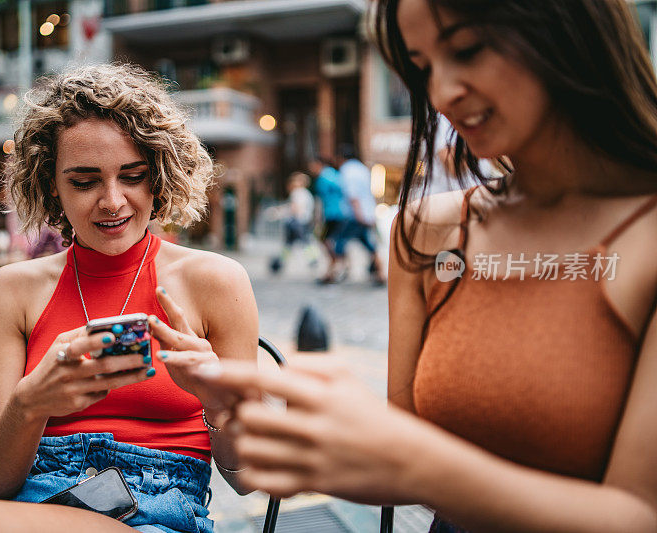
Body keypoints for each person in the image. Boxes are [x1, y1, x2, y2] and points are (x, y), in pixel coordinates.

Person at [193, 1, 657, 531]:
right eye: (422, 68)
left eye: (467, 50)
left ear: (569, 29)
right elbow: (395, 463)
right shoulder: (427, 231)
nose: (441, 93)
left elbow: (639, 514)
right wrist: (242, 414)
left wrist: (415, 463)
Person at [0, 63, 258, 533]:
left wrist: (219, 404)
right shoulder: (14, 289)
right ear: (50, 185)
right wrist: (30, 404)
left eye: (131, 176)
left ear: (158, 177)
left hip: (160, 515)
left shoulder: (216, 281)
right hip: (37, 506)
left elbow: (250, 479)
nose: (112, 201)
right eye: (84, 181)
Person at [335, 145, 386, 284]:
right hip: (367, 212)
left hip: (356, 214)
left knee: (339, 242)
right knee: (367, 243)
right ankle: (379, 272)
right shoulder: (361, 168)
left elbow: (353, 195)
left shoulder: (347, 170)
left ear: (341, 158)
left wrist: (359, 214)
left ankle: (337, 271)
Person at [309, 156, 350, 283]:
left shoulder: (322, 179)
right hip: (342, 213)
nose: (311, 169)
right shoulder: (336, 174)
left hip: (331, 214)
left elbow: (321, 201)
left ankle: (335, 265)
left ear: (318, 164)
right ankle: (338, 266)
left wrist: (317, 219)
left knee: (325, 240)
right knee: (333, 241)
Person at [270, 172, 318, 273]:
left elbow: (295, 208)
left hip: (296, 222)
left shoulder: (297, 193)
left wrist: (279, 213)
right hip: (304, 222)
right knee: (299, 242)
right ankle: (311, 259)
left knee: (294, 243)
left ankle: (280, 263)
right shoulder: (306, 193)